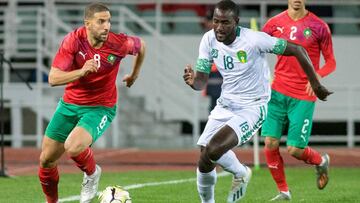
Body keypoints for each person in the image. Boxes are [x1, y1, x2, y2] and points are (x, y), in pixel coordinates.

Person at [182, 0, 332, 203]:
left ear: (236, 22)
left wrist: (315, 84)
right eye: (216, 21)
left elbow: (298, 50)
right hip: (226, 104)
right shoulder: (208, 40)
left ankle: (241, 172)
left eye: (225, 22)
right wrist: (193, 82)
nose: (219, 27)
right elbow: (201, 80)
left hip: (252, 107)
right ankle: (219, 191)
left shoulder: (254, 39)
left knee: (214, 149)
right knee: (204, 157)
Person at [38, 3, 146, 203]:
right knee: (46, 160)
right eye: (101, 21)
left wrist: (134, 74)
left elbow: (142, 46)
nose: (107, 26)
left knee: (73, 147)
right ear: (87, 24)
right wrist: (81, 71)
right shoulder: (73, 40)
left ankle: (92, 173)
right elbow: (53, 78)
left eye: (109, 21)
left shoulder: (119, 43)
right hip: (69, 104)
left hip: (100, 107)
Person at [260, 0, 336, 201]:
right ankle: (284, 191)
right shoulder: (273, 23)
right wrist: (266, 75)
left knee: (294, 149)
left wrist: (316, 77)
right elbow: (255, 50)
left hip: (303, 94)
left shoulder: (319, 26)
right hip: (277, 92)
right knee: (269, 142)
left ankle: (320, 161)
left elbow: (331, 62)